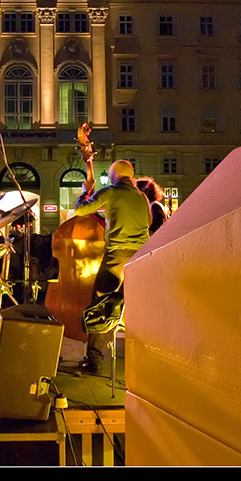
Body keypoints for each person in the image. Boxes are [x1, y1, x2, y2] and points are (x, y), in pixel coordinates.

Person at [73, 160, 151, 373]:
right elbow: (149, 221)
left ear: (115, 176)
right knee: (137, 307)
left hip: (117, 255)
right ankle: (146, 360)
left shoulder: (111, 191)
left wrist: (85, 192)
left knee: (102, 306)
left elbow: (80, 210)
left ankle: (94, 360)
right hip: (140, 257)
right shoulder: (141, 196)